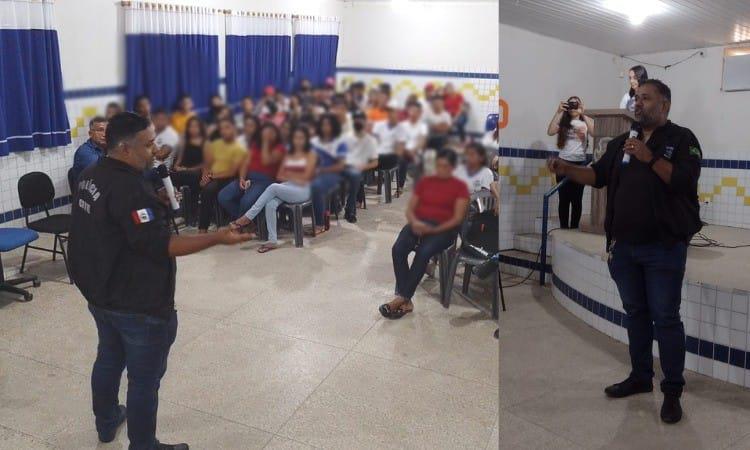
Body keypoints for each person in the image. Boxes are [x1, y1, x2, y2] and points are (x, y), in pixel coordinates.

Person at [68, 112, 251, 450]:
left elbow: (116, 225)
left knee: (109, 357)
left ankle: (106, 421)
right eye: (148, 144)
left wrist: (156, 205)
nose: (155, 150)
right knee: (143, 380)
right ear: (125, 148)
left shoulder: (91, 175)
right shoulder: (128, 188)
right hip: (137, 301)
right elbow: (162, 244)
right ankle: (143, 445)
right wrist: (218, 237)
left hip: (100, 292)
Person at [546, 79, 702, 425]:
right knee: (635, 314)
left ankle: (672, 391)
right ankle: (641, 376)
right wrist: (567, 169)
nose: (638, 103)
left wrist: (649, 157)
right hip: (625, 247)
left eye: (646, 98)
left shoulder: (682, 139)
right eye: (636, 98)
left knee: (666, 318)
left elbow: (683, 181)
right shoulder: (621, 143)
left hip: (664, 247)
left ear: (665, 105)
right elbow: (598, 176)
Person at [379, 148, 469, 319]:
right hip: (420, 223)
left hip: (445, 229)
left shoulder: (460, 188)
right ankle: (406, 300)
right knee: (398, 249)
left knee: (423, 252)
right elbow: (411, 209)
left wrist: (432, 229)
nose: (441, 170)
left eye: (445, 166)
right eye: (438, 166)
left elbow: (457, 218)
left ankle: (402, 298)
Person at [230, 127, 318, 253]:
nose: (298, 141)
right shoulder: (289, 155)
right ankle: (272, 240)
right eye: (295, 138)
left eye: (301, 138)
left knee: (273, 187)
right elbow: (280, 176)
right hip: (288, 186)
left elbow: (306, 178)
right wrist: (295, 176)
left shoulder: (311, 155)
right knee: (270, 203)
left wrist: (292, 175)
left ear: (306, 140)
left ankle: (247, 218)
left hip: (303, 190)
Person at [218, 122, 285, 220]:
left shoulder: (280, 148)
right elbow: (245, 163)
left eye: (271, 133)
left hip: (265, 181)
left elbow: (266, 161)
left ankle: (240, 224)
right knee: (224, 196)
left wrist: (265, 142)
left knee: (246, 202)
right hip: (249, 177)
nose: (268, 135)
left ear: (276, 134)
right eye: (265, 133)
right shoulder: (255, 145)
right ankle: (248, 222)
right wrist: (242, 178)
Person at [546, 96, 595, 229]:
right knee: (564, 199)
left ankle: (574, 228)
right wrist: (559, 112)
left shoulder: (585, 121)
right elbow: (550, 131)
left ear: (580, 105)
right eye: (570, 104)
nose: (573, 106)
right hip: (563, 163)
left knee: (577, 199)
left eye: (576, 104)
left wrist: (584, 113)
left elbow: (594, 132)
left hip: (580, 164)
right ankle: (563, 228)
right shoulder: (563, 122)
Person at [198, 118, 247, 233]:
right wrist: (204, 176)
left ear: (234, 129)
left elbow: (231, 171)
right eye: (222, 129)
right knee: (199, 184)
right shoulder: (215, 144)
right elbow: (207, 162)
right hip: (213, 176)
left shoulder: (239, 147)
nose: (224, 131)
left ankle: (203, 228)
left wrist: (210, 177)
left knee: (208, 190)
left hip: (228, 178)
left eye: (227, 128)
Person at [310, 114, 348, 233]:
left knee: (316, 186)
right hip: (313, 171)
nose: (325, 127)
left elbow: (340, 166)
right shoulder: (314, 141)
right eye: (323, 125)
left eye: (328, 125)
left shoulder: (340, 142)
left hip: (332, 174)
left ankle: (320, 223)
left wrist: (321, 170)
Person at [343, 111, 379, 223]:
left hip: (362, 167)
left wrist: (362, 166)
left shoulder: (370, 140)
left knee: (356, 177)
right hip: (344, 166)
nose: (358, 122)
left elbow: (375, 162)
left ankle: (350, 210)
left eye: (360, 120)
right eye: (356, 119)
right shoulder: (346, 138)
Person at [372, 106, 406, 193]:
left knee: (402, 160)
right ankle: (359, 198)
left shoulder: (401, 128)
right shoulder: (379, 125)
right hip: (376, 155)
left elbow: (400, 148)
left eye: (394, 113)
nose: (392, 115)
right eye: (390, 113)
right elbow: (373, 140)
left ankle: (400, 187)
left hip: (391, 156)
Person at [171, 116, 207, 200]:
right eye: (191, 126)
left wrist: (187, 169)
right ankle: (176, 201)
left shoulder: (206, 142)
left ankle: (193, 202)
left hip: (198, 171)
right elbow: (180, 157)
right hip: (184, 169)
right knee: (172, 176)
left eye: (195, 126)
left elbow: (205, 163)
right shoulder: (185, 140)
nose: (193, 129)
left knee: (192, 176)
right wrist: (176, 166)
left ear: (200, 128)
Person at [397, 101, 429, 192]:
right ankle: (400, 186)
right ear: (408, 111)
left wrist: (414, 150)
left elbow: (422, 140)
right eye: (412, 111)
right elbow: (400, 141)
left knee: (421, 161)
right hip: (404, 151)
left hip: (416, 151)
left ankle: (420, 187)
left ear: (420, 113)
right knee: (402, 161)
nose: (413, 113)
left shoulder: (423, 126)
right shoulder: (403, 125)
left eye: (416, 111)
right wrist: (407, 150)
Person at [71, 116, 108, 184]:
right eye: (100, 130)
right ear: (90, 134)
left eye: (108, 130)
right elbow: (102, 176)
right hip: (88, 189)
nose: (105, 134)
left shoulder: (106, 147)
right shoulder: (85, 153)